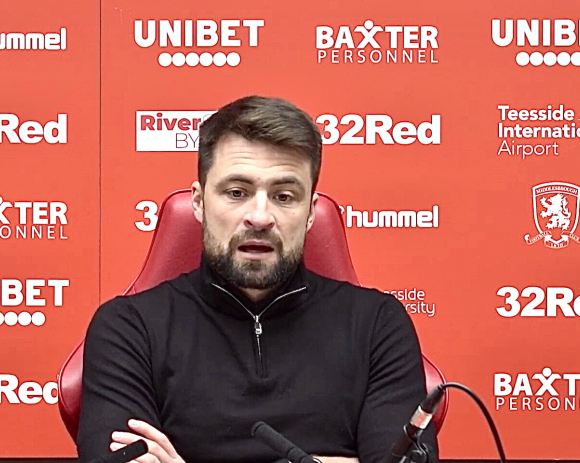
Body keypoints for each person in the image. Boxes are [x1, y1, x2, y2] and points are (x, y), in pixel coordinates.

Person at [77, 96, 438, 463]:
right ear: (199, 202)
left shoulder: (377, 325)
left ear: (310, 212)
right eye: (237, 193)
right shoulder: (128, 328)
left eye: (284, 196)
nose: (260, 217)